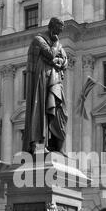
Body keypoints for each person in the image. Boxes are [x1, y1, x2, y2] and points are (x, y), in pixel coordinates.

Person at [22, 17, 68, 154]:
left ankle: (57, 145)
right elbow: (49, 54)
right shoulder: (39, 40)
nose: (59, 34)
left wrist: (59, 60)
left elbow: (65, 61)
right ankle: (39, 144)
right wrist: (57, 45)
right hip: (43, 81)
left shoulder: (55, 42)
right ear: (52, 27)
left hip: (55, 80)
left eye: (60, 32)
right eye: (58, 30)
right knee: (41, 111)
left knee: (62, 113)